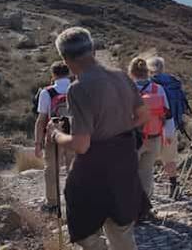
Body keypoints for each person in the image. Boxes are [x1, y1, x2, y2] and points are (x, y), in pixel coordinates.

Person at [47, 27, 151, 250]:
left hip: (95, 166)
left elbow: (81, 145)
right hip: (125, 158)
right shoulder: (121, 76)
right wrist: (119, 129)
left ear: (65, 58)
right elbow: (144, 115)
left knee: (83, 225)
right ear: (93, 50)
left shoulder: (79, 88)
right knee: (121, 225)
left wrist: (56, 135)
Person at [128, 57, 174, 201]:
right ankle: (145, 206)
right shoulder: (157, 89)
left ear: (131, 72)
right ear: (147, 72)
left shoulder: (126, 89)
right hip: (154, 137)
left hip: (132, 139)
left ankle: (130, 207)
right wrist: (168, 135)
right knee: (147, 173)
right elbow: (167, 114)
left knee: (129, 173)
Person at [147, 56, 190, 198]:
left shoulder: (150, 85)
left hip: (151, 129)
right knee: (169, 159)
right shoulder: (173, 83)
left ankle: (147, 194)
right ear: (162, 67)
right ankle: (174, 187)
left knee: (147, 161)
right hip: (172, 127)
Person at [34, 61, 72, 212]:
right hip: (75, 135)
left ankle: (52, 203)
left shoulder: (47, 92)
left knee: (51, 170)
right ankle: (74, 202)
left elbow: (41, 120)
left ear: (53, 75)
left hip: (54, 136)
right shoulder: (78, 89)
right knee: (74, 170)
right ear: (69, 73)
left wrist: (38, 143)